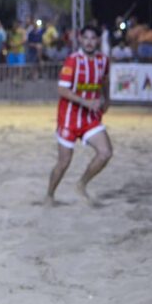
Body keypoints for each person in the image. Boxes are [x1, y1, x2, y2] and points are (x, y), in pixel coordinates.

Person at [46, 25, 113, 207]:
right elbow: (61, 89)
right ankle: (50, 195)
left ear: (98, 41)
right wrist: (86, 102)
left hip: (90, 119)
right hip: (68, 119)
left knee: (105, 153)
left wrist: (107, 99)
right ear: (80, 40)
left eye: (93, 38)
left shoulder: (103, 60)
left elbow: (105, 80)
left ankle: (82, 184)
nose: (89, 42)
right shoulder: (72, 61)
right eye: (86, 38)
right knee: (64, 162)